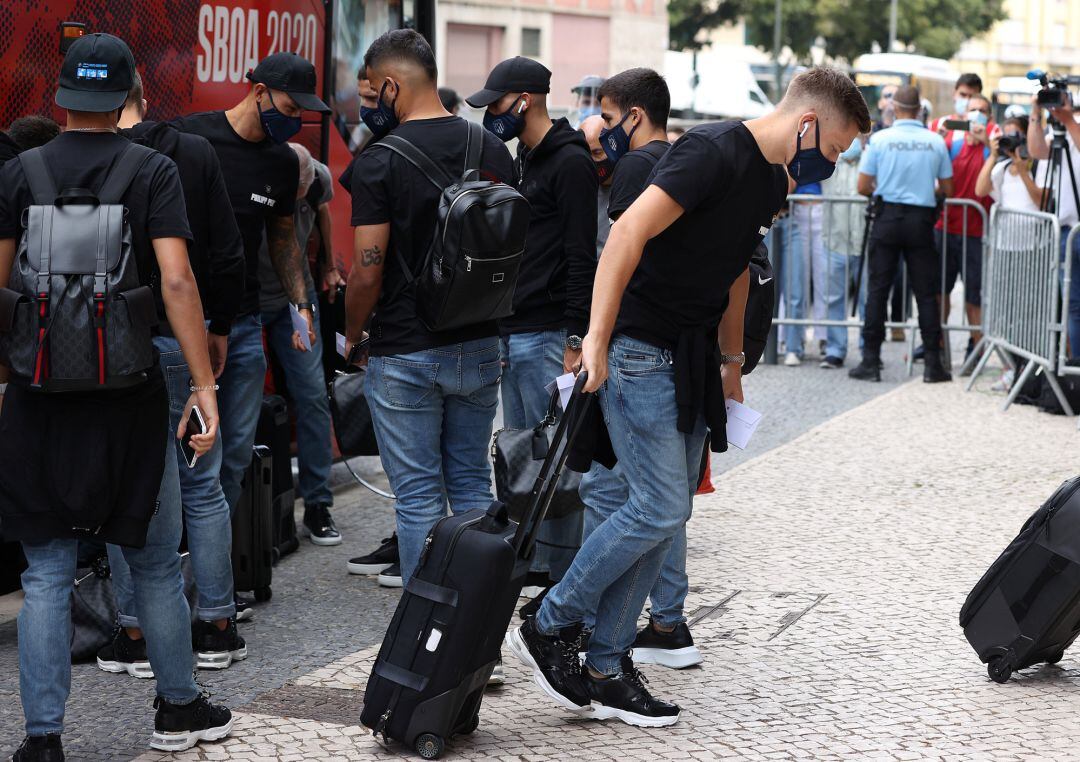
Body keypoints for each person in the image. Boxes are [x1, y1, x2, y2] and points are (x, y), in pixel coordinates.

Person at [507, 67, 868, 726]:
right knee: (659, 505)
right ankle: (550, 620)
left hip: (692, 358)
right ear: (807, 123)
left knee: (664, 514)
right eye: (837, 148)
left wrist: (732, 362)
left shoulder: (771, 176)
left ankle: (607, 664)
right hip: (640, 347)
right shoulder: (712, 151)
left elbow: (736, 268)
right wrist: (595, 338)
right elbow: (626, 233)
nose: (834, 164)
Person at [0, 33, 232, 760]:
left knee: (46, 572)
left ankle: (43, 741)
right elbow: (176, 281)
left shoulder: (19, 173)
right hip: (128, 395)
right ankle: (178, 709)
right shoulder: (152, 171)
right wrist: (203, 385)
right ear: (131, 92)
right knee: (158, 561)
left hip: (38, 396)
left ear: (62, 96)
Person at [342, 30, 514, 592]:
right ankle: (475, 639)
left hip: (407, 349)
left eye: (373, 90)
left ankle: (429, 643)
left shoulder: (379, 161)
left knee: (418, 499)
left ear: (391, 85)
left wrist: (353, 334)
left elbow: (366, 269)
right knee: (472, 490)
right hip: (482, 341)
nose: (373, 103)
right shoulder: (488, 147)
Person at [97, 70, 249, 679]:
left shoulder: (73, 158)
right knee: (202, 484)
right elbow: (224, 251)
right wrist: (217, 332)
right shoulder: (191, 151)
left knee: (120, 489)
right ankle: (215, 623)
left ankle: (134, 630)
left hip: (107, 351)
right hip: (181, 337)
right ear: (141, 90)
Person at [171, 53, 335, 550]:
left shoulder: (284, 163)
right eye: (290, 104)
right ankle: (171, 574)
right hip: (178, 324)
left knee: (234, 455)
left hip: (240, 327)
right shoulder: (189, 139)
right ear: (259, 90)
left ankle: (212, 579)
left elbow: (283, 240)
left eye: (304, 111)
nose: (295, 118)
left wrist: (302, 306)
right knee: (179, 456)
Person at [578, 68, 705, 670]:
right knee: (666, 496)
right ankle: (665, 615)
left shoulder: (634, 167)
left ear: (633, 114)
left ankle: (573, 617)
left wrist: (593, 337)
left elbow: (622, 256)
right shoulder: (685, 158)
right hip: (682, 346)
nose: (601, 131)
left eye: (606, 118)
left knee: (620, 491)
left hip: (635, 345)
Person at [468, 57, 597, 595]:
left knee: (556, 457)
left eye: (496, 104)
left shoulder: (568, 163)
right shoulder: (527, 157)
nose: (490, 115)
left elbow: (579, 254)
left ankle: (561, 569)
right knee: (528, 453)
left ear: (524, 100)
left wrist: (574, 336)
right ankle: (540, 561)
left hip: (547, 333)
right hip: (517, 327)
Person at [257, 142, 343, 547]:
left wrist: (327, 265)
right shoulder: (256, 177)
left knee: (312, 396)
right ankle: (250, 509)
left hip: (296, 296)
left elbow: (324, 211)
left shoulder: (317, 179)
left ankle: (318, 504)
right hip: (250, 294)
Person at [850, 85, 955, 384]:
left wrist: (885, 190)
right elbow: (949, 189)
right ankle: (933, 365)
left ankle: (871, 361)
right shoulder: (935, 142)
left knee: (878, 290)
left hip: (887, 218)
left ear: (894, 108)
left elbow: (862, 186)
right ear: (920, 110)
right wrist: (926, 192)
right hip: (921, 220)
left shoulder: (881, 140)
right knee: (925, 293)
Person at [932, 93, 996, 358]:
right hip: (946, 227)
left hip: (976, 231)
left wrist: (987, 144)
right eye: (971, 110)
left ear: (989, 117)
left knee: (973, 296)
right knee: (940, 291)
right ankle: (937, 344)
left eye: (981, 111)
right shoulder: (951, 143)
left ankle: (977, 348)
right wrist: (939, 138)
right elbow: (935, 171)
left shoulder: (992, 146)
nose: (975, 116)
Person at [1027, 94, 1080, 357]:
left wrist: (1069, 120)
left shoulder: (1072, 125)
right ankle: (1076, 367)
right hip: (1066, 230)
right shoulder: (1060, 131)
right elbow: (1037, 151)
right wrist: (1035, 113)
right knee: (1072, 305)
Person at [818, 136, 870, 368]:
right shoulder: (829, 162)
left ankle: (868, 348)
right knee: (833, 298)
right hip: (835, 239)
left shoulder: (869, 160)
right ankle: (835, 349)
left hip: (864, 241)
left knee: (868, 299)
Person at [579, 114, 614, 256]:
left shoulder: (628, 185)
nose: (591, 160)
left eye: (597, 152)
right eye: (585, 153)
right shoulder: (579, 188)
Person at [931, 73, 989, 137]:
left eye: (972, 96)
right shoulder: (937, 124)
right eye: (963, 95)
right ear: (954, 93)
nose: (966, 100)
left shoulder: (990, 129)